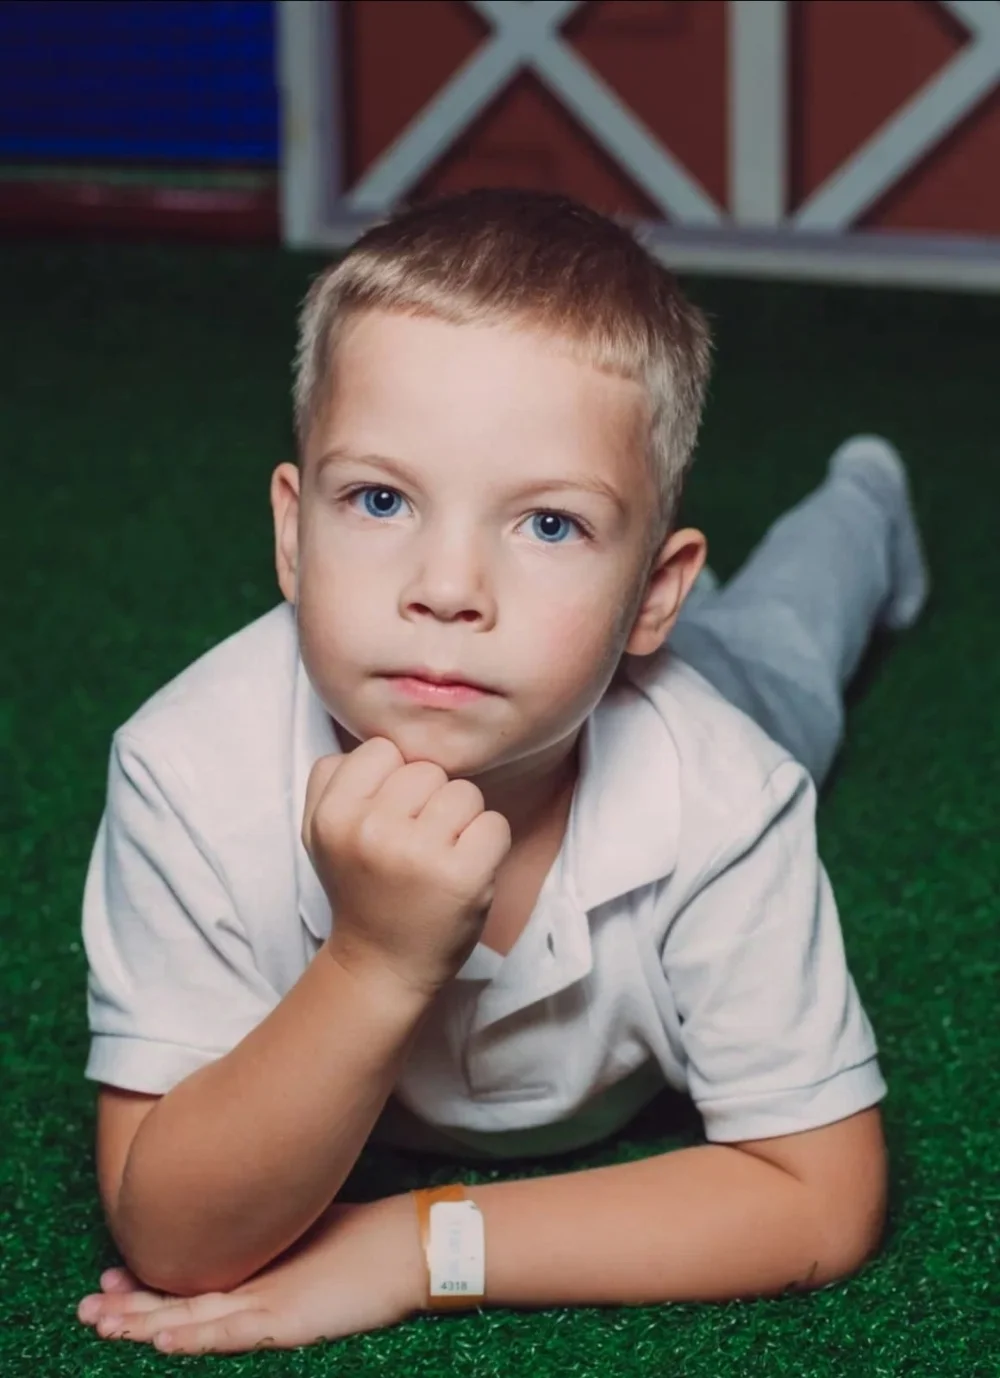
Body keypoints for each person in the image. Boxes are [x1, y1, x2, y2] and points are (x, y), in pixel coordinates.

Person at [76, 188, 928, 1356]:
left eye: (547, 524)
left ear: (653, 593)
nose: (446, 588)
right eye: (381, 499)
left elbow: (819, 1196)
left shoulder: (726, 789)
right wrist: (375, 961)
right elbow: (174, 1239)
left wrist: (417, 1245)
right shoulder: (185, 771)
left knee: (789, 634)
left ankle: (863, 502)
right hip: (572, 665)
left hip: (698, 682)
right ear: (292, 532)